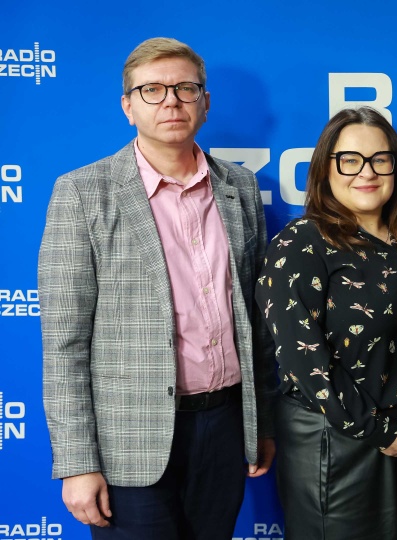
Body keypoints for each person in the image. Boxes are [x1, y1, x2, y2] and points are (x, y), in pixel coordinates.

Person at [38, 37, 275, 539]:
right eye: (152, 90)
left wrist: (263, 423)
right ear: (128, 107)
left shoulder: (241, 188)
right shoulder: (82, 193)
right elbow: (64, 344)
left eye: (186, 88)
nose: (171, 100)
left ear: (205, 103)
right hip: (130, 441)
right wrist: (77, 463)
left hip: (225, 424)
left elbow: (257, 323)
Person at [255, 106, 397, 539]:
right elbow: (305, 362)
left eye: (380, 159)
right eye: (349, 159)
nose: (366, 172)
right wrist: (382, 432)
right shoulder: (300, 244)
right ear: (325, 168)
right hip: (340, 447)